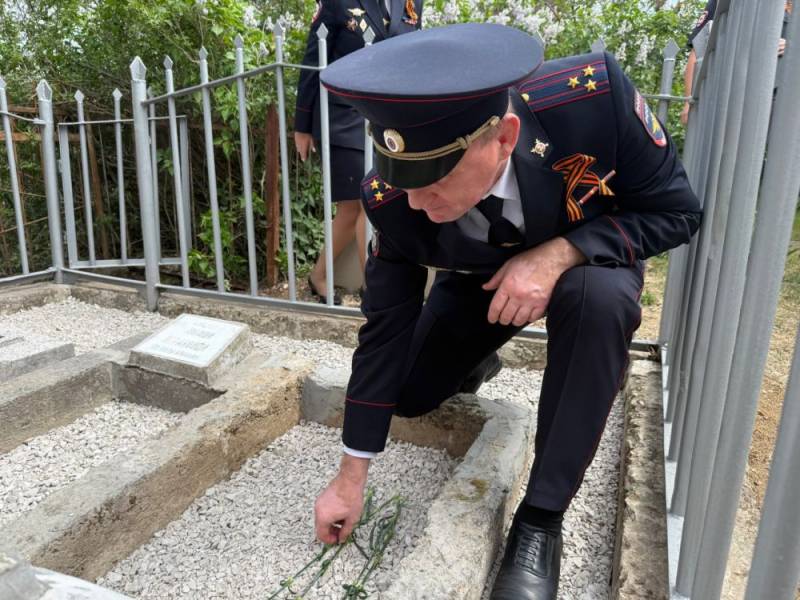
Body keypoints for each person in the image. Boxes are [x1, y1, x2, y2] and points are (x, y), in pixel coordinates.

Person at [315, 23, 702, 599]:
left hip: (589, 263)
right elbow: (384, 331)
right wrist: (351, 476)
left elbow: (677, 213)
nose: (418, 203)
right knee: (409, 391)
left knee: (599, 303)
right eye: (405, 182)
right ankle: (475, 361)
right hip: (479, 279)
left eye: (437, 179)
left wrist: (557, 255)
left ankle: (541, 520)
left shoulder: (593, 98)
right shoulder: (394, 199)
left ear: (503, 137)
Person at [294, 0, 423, 304]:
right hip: (343, 117)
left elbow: (414, 58)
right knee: (360, 203)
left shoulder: (413, 3)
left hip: (388, 119)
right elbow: (314, 60)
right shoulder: (340, 3)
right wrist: (302, 125)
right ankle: (373, 286)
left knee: (369, 203)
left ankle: (320, 275)